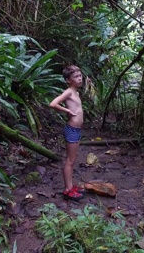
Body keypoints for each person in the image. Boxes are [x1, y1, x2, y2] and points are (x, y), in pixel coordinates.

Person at [49, 64, 85, 201]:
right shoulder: (69, 92)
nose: (80, 78)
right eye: (76, 77)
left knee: (73, 159)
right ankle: (68, 190)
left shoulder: (76, 92)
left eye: (80, 76)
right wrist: (67, 111)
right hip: (71, 129)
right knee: (70, 161)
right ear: (68, 80)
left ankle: (70, 186)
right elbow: (53, 104)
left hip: (76, 129)